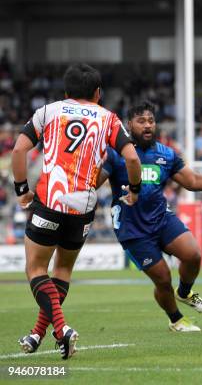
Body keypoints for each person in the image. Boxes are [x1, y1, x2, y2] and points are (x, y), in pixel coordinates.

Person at [14, 64, 142, 359]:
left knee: (35, 269)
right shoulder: (109, 118)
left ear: (66, 92)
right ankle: (36, 334)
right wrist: (134, 190)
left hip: (51, 200)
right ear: (98, 93)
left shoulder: (49, 111)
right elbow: (132, 157)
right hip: (84, 205)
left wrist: (23, 192)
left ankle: (62, 330)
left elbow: (19, 151)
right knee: (62, 270)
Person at [97, 101, 202, 332]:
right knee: (163, 278)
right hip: (133, 229)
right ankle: (176, 319)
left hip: (161, 218)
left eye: (151, 121)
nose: (147, 125)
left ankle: (185, 292)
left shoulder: (166, 154)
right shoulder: (116, 154)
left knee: (193, 255)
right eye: (141, 121)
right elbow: (95, 182)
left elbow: (194, 182)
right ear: (129, 125)